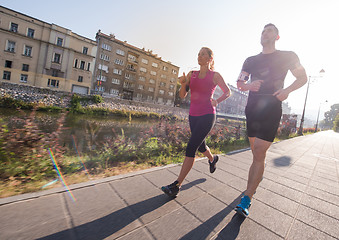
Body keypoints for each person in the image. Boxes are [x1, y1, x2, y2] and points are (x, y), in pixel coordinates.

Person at [235, 23, 307, 217]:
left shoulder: (288, 56)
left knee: (259, 151)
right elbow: (240, 83)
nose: (265, 33)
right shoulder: (250, 60)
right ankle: (258, 176)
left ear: (277, 37)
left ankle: (247, 198)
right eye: (263, 31)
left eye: (269, 31)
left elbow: (303, 78)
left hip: (272, 109)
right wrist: (250, 86)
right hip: (252, 110)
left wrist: (287, 91)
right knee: (256, 153)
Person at [161, 47, 231, 197]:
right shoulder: (192, 74)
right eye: (198, 54)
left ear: (210, 59)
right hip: (193, 116)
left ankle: (176, 185)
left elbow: (227, 92)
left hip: (207, 115)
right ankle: (213, 159)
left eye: (203, 54)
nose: (199, 56)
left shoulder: (215, 76)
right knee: (201, 146)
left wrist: (217, 101)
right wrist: (182, 84)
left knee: (191, 147)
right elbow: (182, 95)